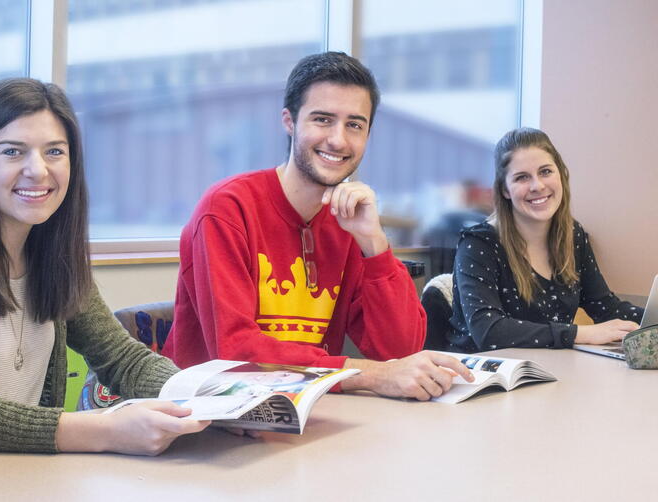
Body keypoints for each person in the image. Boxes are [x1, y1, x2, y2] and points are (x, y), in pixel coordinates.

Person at [0, 78, 209, 456]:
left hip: (27, 476)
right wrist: (104, 430)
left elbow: (122, 358)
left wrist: (207, 398)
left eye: (54, 151)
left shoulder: (52, 252)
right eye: (13, 152)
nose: (38, 170)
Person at [162, 52, 474, 401]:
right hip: (207, 418)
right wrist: (366, 374)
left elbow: (399, 350)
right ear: (289, 122)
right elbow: (236, 351)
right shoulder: (227, 209)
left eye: (354, 124)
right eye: (323, 119)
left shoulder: (349, 222)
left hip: (306, 413)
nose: (339, 140)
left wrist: (374, 243)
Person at [447, 127, 642, 352]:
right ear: (505, 190)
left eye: (546, 172)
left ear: (561, 175)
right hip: (482, 377)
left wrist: (650, 319)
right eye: (522, 177)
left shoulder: (572, 235)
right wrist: (579, 333)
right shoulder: (479, 243)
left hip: (549, 371)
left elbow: (605, 307)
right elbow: (489, 331)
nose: (537, 186)